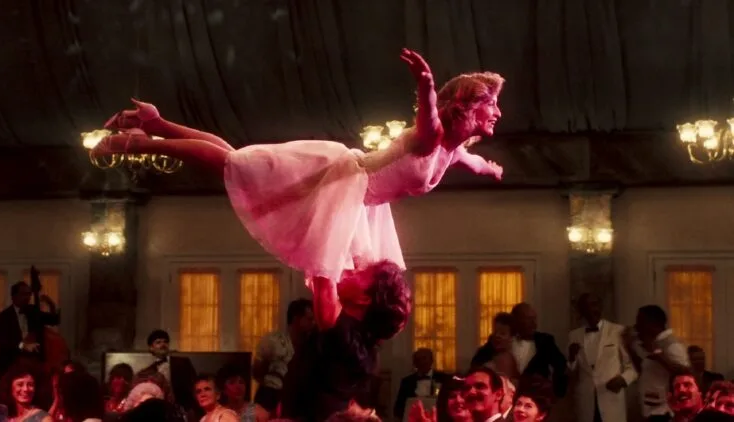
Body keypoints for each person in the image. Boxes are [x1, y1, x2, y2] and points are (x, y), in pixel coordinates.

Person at [94, 48, 505, 286]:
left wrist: (492, 170)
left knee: (238, 159)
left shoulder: (453, 151)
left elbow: (474, 163)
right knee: (235, 162)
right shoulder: (430, 138)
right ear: (464, 107)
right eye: (491, 105)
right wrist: (426, 83)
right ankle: (139, 142)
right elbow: (429, 116)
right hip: (342, 179)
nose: (498, 113)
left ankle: (155, 123)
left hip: (355, 198)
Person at [280, 260, 411, 421]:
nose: (349, 271)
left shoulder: (342, 332)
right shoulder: (362, 345)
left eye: (359, 273)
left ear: (364, 298)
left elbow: (324, 263)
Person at [567, 293, 636, 422]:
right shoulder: (574, 335)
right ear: (581, 310)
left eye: (594, 304)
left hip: (611, 400)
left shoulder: (618, 331)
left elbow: (632, 366)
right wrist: (571, 358)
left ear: (601, 306)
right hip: (586, 403)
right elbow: (572, 373)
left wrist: (623, 380)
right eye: (586, 306)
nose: (591, 309)